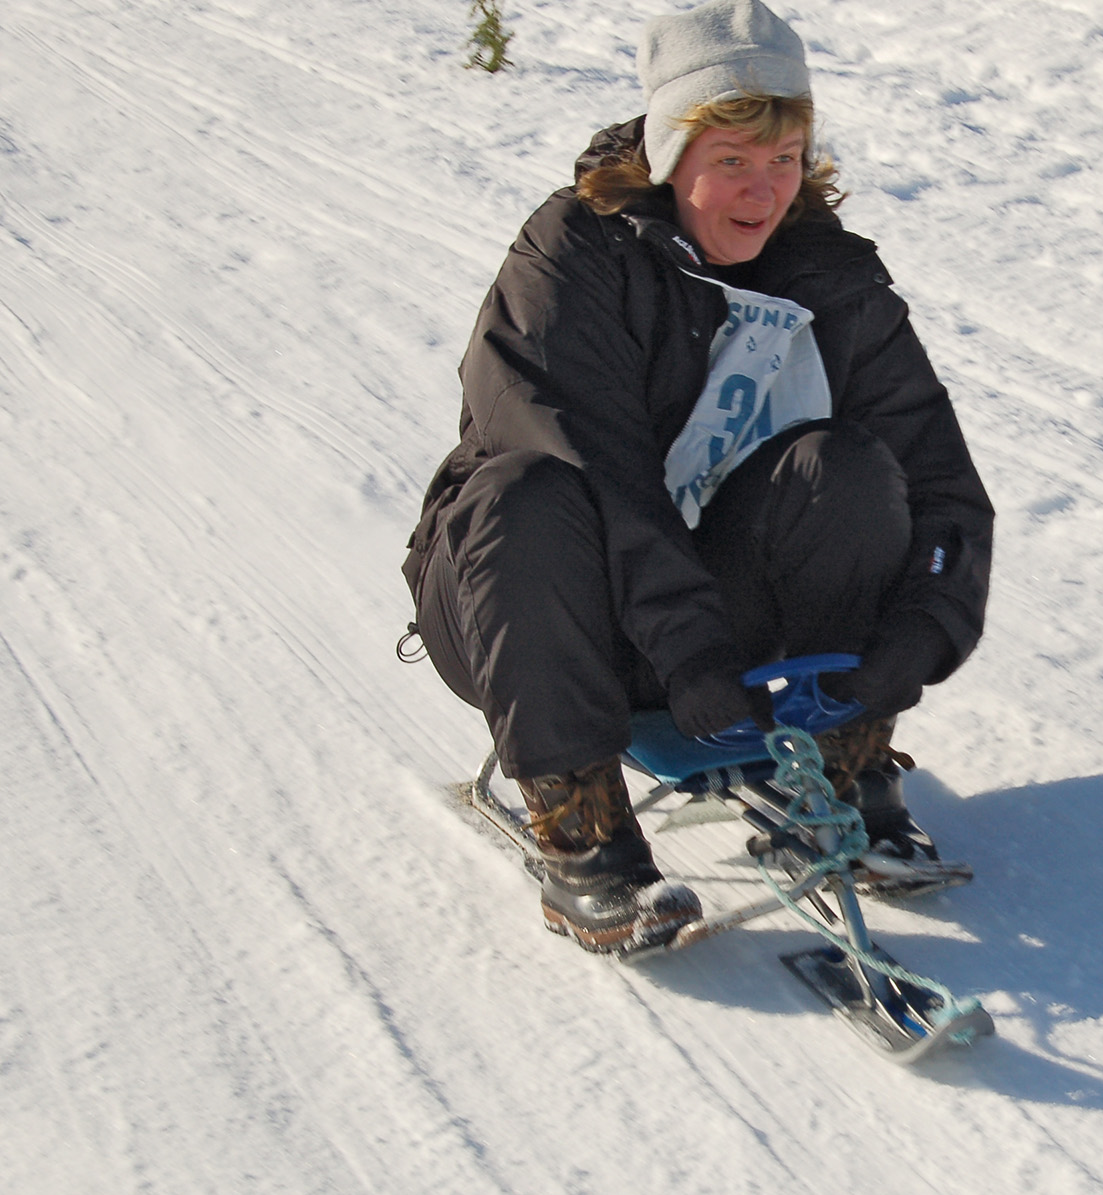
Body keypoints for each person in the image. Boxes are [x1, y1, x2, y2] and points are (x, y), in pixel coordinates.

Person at [401, 0, 994, 954]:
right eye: (731, 162)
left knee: (845, 466)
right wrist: (687, 651)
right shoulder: (571, 257)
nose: (762, 191)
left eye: (784, 159)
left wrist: (916, 638)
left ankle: (839, 770)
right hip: (536, 610)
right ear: (671, 157)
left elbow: (942, 489)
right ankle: (584, 833)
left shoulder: (831, 280)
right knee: (528, 493)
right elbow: (588, 469)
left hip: (714, 630)